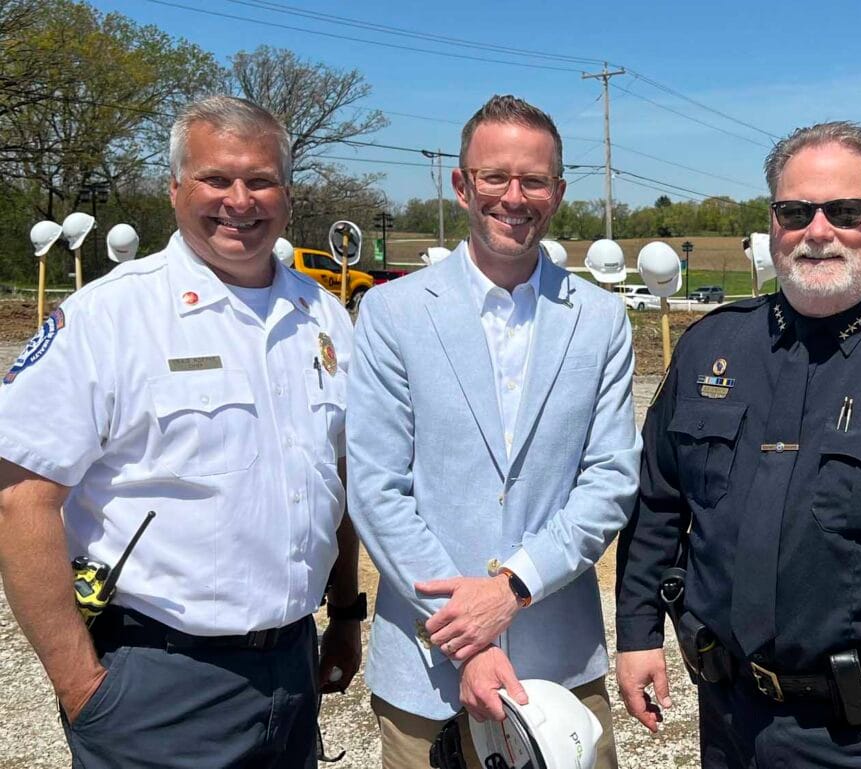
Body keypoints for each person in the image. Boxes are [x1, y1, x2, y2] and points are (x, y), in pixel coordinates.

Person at [615, 121, 861, 769]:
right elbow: (657, 503)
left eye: (844, 210)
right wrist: (637, 631)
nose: (818, 230)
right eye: (794, 210)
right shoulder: (709, 349)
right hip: (729, 724)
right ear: (772, 222)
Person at [0, 95, 363, 768]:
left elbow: (335, 477)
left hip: (292, 665)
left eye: (260, 180)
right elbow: (21, 499)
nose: (239, 200)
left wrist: (345, 610)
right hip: (158, 680)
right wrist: (83, 686)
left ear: (286, 193)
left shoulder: (323, 316)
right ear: (174, 188)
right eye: (215, 179)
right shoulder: (110, 317)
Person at [346, 94, 641, 769]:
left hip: (562, 673)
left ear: (558, 192)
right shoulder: (392, 313)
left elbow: (610, 477)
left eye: (534, 180)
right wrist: (468, 638)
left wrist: (512, 586)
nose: (515, 196)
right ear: (461, 185)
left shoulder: (599, 319)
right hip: (428, 675)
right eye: (495, 177)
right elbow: (376, 487)